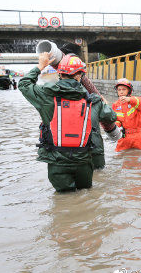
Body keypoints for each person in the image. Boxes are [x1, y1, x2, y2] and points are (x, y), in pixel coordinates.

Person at [19, 52, 116, 192]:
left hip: (57, 162)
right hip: (83, 162)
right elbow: (111, 117)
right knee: (85, 196)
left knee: (63, 199)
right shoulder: (93, 101)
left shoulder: (46, 97)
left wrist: (40, 66)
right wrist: (104, 104)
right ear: (80, 75)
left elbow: (24, 84)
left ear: (60, 74)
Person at [111, 78, 141, 152]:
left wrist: (129, 100)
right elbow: (116, 120)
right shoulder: (115, 105)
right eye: (119, 90)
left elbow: (140, 102)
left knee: (139, 158)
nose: (121, 92)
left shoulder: (135, 101)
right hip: (123, 137)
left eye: (123, 89)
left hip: (138, 136)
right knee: (120, 156)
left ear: (129, 91)